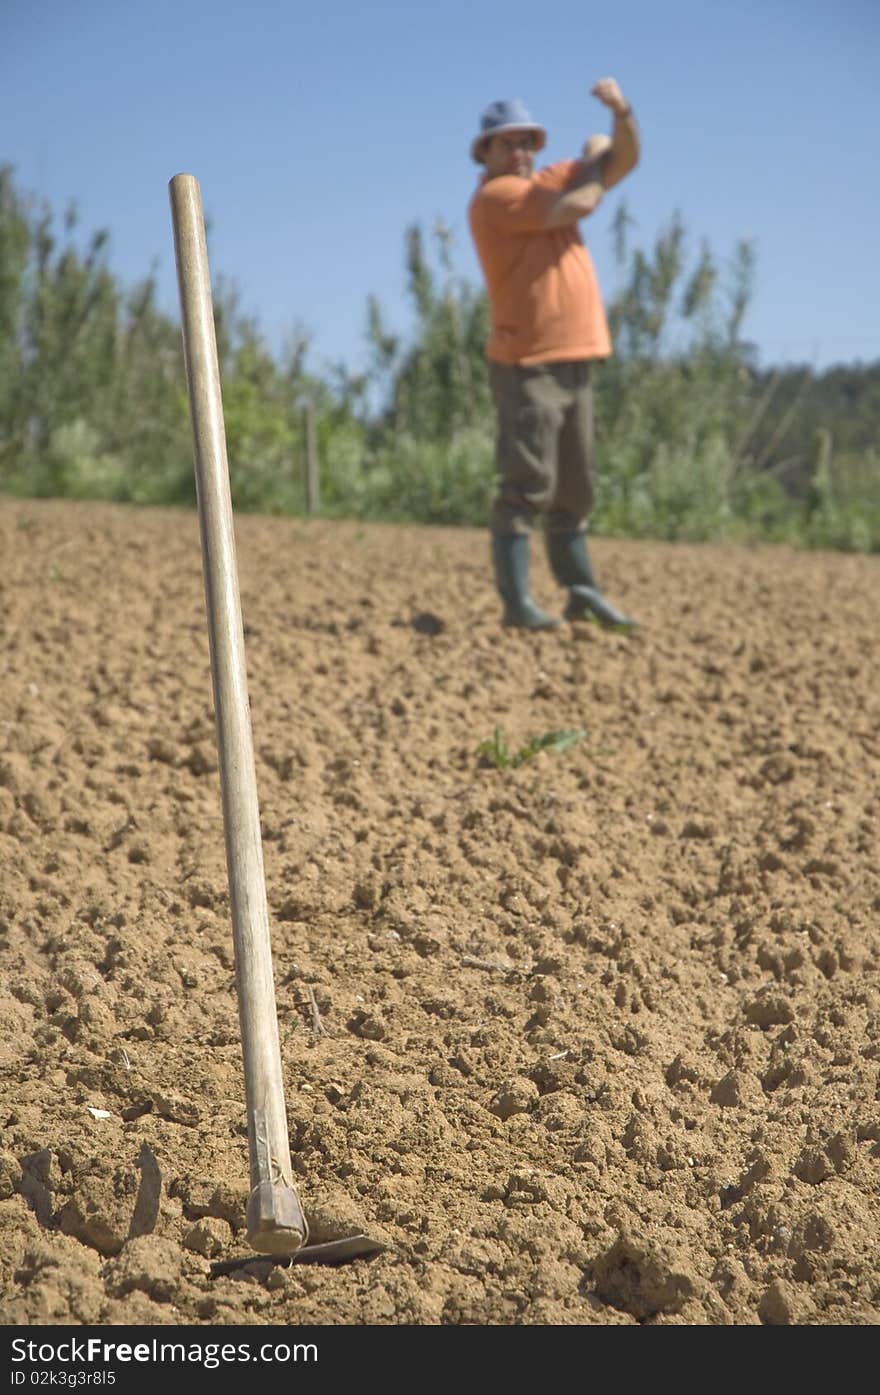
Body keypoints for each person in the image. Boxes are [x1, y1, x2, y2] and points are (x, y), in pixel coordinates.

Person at [468, 79, 640, 630]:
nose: (519, 153)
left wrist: (620, 115)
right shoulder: (497, 199)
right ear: (486, 152)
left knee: (575, 487)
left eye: (527, 143)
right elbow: (586, 199)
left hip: (576, 355)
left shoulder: (544, 181)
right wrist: (593, 157)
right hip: (528, 362)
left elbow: (623, 163)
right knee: (527, 483)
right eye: (507, 143)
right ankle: (518, 605)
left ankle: (580, 591)